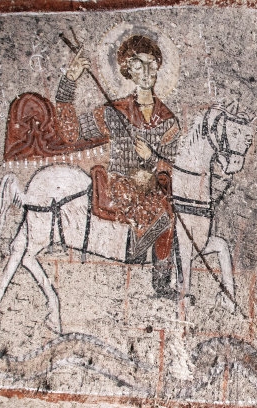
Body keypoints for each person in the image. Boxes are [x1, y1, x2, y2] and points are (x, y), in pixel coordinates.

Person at [55, 35, 179, 295]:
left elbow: (171, 165)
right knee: (158, 210)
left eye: (151, 64)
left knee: (167, 209)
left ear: (158, 67)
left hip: (154, 187)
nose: (146, 71)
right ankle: (136, 253)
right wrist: (69, 84)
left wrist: (152, 159)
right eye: (138, 65)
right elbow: (72, 134)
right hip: (121, 184)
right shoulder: (114, 111)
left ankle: (161, 282)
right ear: (128, 71)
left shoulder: (168, 120)